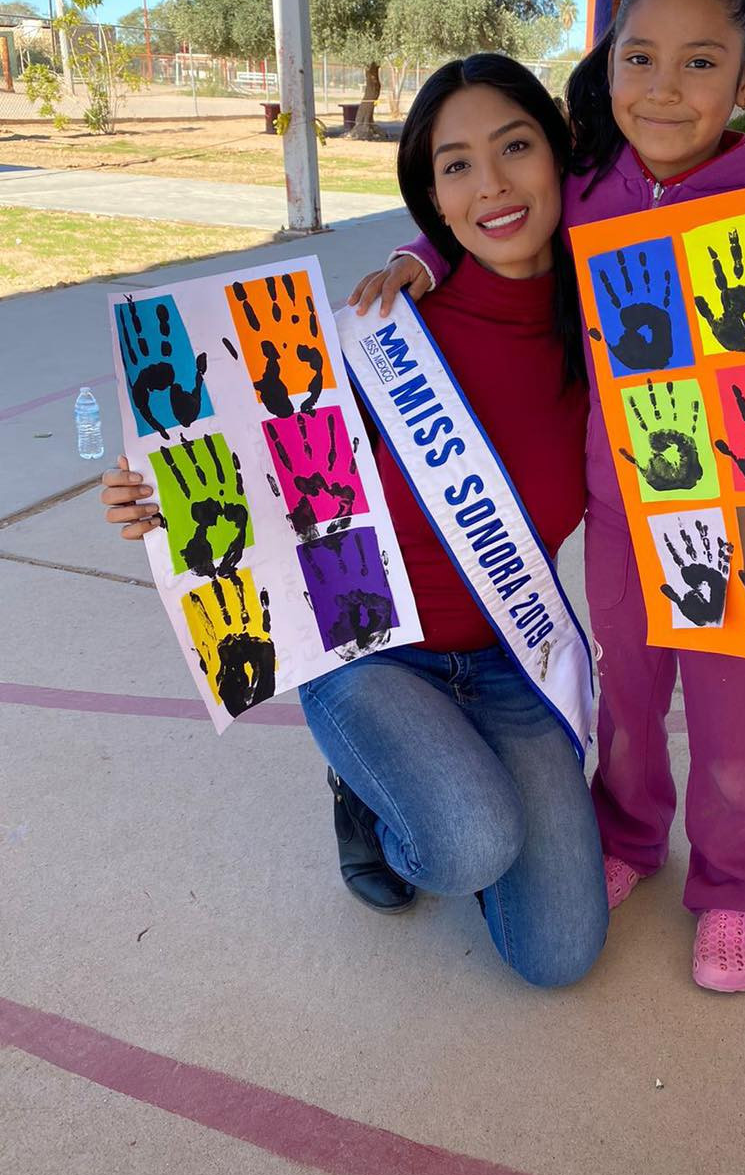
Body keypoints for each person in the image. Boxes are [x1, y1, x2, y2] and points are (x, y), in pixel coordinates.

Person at [353, 0, 745, 994]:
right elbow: (484, 221)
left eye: (700, 64)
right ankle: (631, 836)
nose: (664, 88)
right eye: (640, 58)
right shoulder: (585, 195)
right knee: (628, 701)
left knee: (735, 730)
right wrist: (418, 264)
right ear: (606, 72)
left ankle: (733, 889)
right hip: (625, 524)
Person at [100, 54, 608, 989]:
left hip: (508, 654)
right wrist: (156, 490)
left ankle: (455, 783)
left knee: (561, 955)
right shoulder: (380, 326)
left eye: (515, 146)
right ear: (432, 197)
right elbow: (257, 455)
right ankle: (370, 798)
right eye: (456, 165)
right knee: (465, 848)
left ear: (558, 156)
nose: (492, 183)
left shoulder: (605, 330)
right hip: (369, 650)